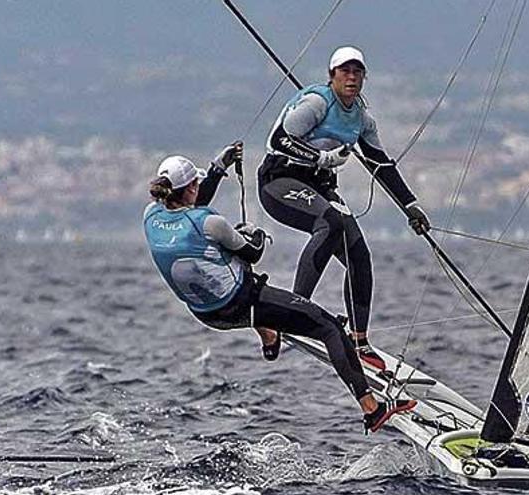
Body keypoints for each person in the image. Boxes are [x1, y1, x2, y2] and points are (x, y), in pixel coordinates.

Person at [142, 143, 416, 433]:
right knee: (329, 328)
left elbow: (189, 206)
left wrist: (218, 168)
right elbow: (253, 253)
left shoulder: (151, 216)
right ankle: (372, 409)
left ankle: (269, 334)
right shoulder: (211, 224)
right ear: (191, 188)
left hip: (207, 314)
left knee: (218, 262)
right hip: (242, 303)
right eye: (197, 183)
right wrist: (255, 233)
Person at [258, 46, 430, 371]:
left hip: (319, 187)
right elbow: (279, 139)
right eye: (344, 71)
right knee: (331, 222)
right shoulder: (317, 103)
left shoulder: (362, 120)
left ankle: (359, 340)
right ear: (332, 75)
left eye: (357, 72)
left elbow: (381, 164)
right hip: (278, 180)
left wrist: (411, 207)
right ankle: (296, 310)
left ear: (364, 77)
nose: (351, 77)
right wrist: (319, 158)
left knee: (359, 255)